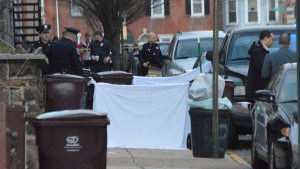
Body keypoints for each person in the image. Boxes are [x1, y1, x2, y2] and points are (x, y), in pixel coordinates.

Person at [246, 30, 274, 102]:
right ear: (266, 38)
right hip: (257, 90)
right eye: (272, 39)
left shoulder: (261, 50)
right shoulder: (258, 51)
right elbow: (262, 69)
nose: (273, 42)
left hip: (257, 89)